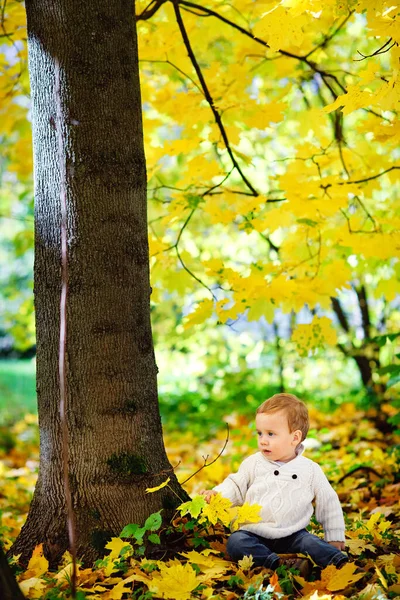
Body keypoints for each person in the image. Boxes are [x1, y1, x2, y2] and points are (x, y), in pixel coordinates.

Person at [200, 393, 348, 571]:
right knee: (236, 542)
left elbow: (328, 501)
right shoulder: (254, 463)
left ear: (295, 438)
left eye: (271, 434)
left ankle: (340, 563)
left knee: (311, 542)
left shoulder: (309, 470)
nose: (263, 440)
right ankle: (280, 565)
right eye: (260, 433)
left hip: (294, 534)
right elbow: (236, 485)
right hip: (254, 532)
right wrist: (217, 495)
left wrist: (335, 536)